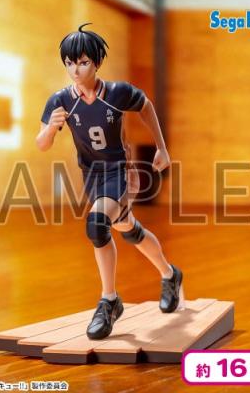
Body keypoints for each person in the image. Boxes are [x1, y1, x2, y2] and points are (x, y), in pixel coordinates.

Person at [36, 23, 184, 340]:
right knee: (128, 229)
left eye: (83, 62)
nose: (76, 70)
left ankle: (110, 301)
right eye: (70, 63)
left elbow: (146, 106)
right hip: (92, 175)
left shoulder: (117, 93)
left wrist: (161, 147)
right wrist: (50, 129)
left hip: (121, 172)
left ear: (97, 62)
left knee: (97, 225)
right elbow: (41, 144)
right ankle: (170, 274)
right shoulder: (61, 101)